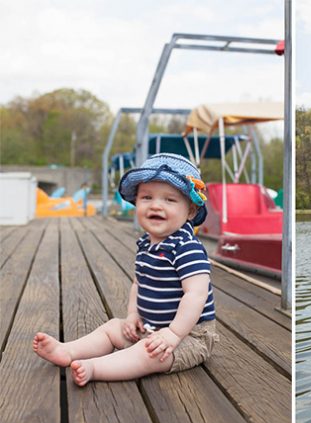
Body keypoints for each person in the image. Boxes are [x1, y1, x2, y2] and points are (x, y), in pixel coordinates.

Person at [33, 153, 219, 386]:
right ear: (136, 202)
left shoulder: (186, 247)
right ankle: (67, 350)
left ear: (190, 211)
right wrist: (133, 316)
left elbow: (196, 294)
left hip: (189, 335)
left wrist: (173, 334)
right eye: (147, 197)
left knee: (148, 353)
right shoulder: (146, 243)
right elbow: (138, 284)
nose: (156, 205)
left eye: (170, 200)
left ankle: (96, 368)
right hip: (151, 327)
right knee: (112, 327)